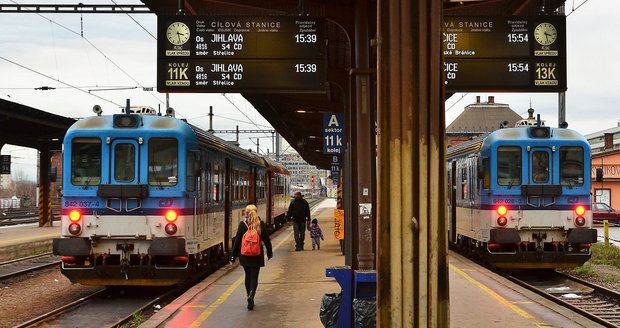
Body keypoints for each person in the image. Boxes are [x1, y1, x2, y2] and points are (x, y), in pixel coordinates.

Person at [231, 204, 273, 310]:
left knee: (247, 276)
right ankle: (251, 295)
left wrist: (233, 256)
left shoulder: (242, 224)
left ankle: (248, 296)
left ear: (246, 213)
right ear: (256, 212)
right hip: (257, 254)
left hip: (244, 255)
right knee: (254, 277)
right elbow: (267, 240)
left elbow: (237, 242)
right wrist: (269, 252)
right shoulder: (260, 224)